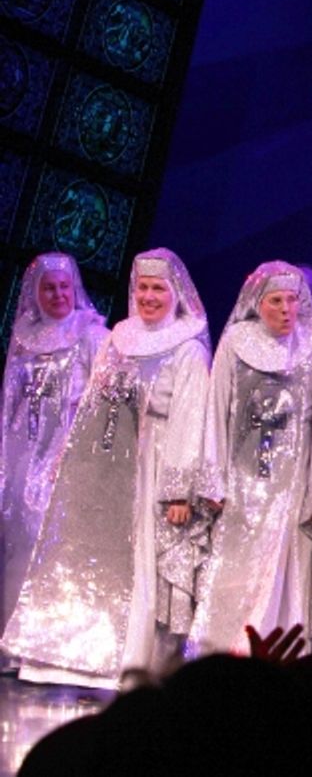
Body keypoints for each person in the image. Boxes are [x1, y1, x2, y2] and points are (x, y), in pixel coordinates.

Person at [2, 248, 211, 687]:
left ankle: (128, 656)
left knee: (139, 558)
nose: (150, 296)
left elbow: (191, 418)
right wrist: (71, 456)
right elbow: (93, 402)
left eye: (158, 288)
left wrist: (178, 490)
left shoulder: (187, 349)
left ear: (174, 294)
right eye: (143, 288)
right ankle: (73, 650)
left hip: (152, 461)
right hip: (104, 461)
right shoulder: (119, 337)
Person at [187, 262, 312, 654]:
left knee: (284, 570)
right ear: (259, 302)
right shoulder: (236, 342)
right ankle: (224, 650)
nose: (287, 309)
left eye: (293, 300)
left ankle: (281, 656)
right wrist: (213, 477)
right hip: (241, 481)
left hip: (292, 483)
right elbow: (216, 409)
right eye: (277, 300)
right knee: (233, 567)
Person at [0, 253, 109, 667]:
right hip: (22, 458)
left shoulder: (92, 335)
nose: (58, 294)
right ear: (36, 292)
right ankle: (13, 647)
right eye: (49, 287)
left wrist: (77, 453)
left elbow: (101, 403)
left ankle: (48, 651)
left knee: (53, 547)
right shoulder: (25, 336)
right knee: (20, 549)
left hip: (65, 458)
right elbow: (10, 403)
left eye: (65, 286)